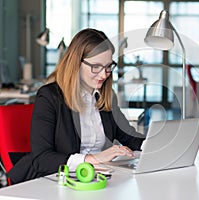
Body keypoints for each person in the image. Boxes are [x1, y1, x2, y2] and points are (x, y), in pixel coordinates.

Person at [8, 28, 145, 184]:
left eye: (108, 66)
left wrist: (155, 146)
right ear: (76, 62)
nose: (104, 74)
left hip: (95, 178)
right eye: (96, 67)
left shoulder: (105, 96)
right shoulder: (50, 97)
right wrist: (91, 159)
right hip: (54, 179)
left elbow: (128, 136)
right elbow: (42, 158)